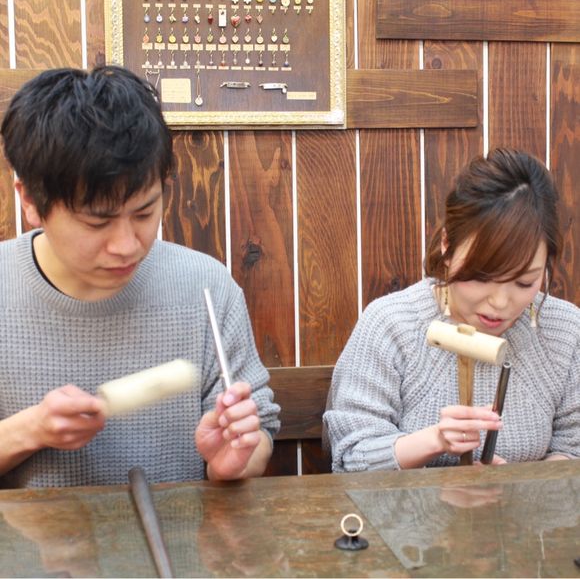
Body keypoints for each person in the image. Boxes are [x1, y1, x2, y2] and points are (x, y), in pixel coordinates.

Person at [0, 65, 280, 488]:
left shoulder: (205, 286)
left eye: (145, 213)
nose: (127, 245)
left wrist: (235, 459)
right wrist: (30, 430)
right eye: (97, 222)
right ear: (30, 202)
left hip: (178, 531)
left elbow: (257, 431)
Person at [324, 148, 580, 471]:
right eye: (482, 276)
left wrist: (519, 486)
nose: (501, 303)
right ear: (447, 246)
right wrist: (435, 441)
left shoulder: (565, 330)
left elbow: (573, 448)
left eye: (524, 282)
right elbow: (350, 458)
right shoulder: (391, 325)